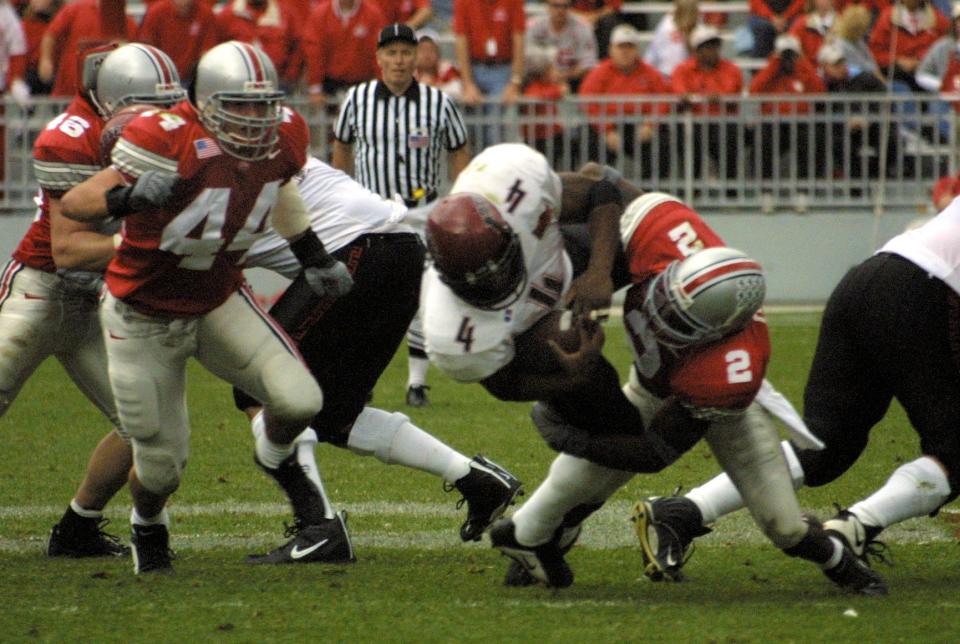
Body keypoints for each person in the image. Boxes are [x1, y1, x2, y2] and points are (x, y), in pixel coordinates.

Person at [479, 182, 885, 596]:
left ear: (719, 332)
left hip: (711, 403)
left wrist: (572, 435)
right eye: (664, 298)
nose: (658, 315)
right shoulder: (664, 232)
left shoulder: (726, 370)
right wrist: (595, 272)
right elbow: (604, 186)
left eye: (678, 321)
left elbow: (654, 452)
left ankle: (838, 560)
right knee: (586, 472)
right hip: (657, 378)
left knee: (783, 525)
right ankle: (528, 535)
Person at [59, 41, 351, 575]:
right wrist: (128, 198)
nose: (258, 118)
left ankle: (275, 457)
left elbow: (280, 188)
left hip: (218, 299)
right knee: (162, 469)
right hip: (141, 315)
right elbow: (76, 203)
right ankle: (148, 522)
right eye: (242, 104)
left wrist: (313, 255)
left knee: (300, 400)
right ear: (208, 100)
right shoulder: (163, 134)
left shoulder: (283, 133)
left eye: (265, 105)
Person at [634, 197, 960, 592]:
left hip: (868, 279)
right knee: (953, 451)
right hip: (921, 292)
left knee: (826, 441)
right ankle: (855, 527)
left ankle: (685, 511)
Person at [233, 155, 523, 562]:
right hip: (402, 249)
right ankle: (476, 481)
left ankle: (318, 526)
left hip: (355, 251)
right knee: (337, 414)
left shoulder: (213, 173)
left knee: (257, 387)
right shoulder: (267, 147)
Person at [0, 43, 187, 559]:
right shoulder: (70, 138)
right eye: (151, 105)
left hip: (99, 302)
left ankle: (78, 526)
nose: (164, 118)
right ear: (111, 100)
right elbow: (67, 250)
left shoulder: (160, 132)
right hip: (40, 291)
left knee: (146, 426)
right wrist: (148, 247)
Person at [333, 23, 471, 408]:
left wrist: (459, 197)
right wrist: (342, 195)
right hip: (371, 212)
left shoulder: (438, 102)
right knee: (362, 296)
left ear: (417, 58)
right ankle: (359, 379)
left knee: (419, 295)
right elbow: (341, 147)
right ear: (378, 58)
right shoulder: (356, 99)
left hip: (421, 211)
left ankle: (416, 383)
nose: (398, 60)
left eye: (406, 53)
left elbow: (459, 149)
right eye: (391, 53)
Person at [578, 23, 671, 178]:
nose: (625, 52)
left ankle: (651, 195)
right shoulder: (599, 72)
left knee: (661, 145)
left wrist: (650, 124)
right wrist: (606, 129)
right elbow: (588, 101)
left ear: (637, 50)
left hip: (641, 126)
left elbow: (664, 99)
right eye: (621, 47)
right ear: (611, 50)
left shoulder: (650, 73)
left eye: (630, 47)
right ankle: (598, 193)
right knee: (591, 143)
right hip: (609, 125)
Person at [670, 24, 744, 184]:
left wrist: (719, 98)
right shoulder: (682, 70)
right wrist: (688, 97)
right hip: (693, 123)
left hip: (723, 123)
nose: (713, 50)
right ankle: (692, 192)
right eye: (707, 46)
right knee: (687, 141)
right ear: (697, 50)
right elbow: (680, 92)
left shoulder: (731, 69)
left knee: (730, 140)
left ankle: (730, 193)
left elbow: (733, 92)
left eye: (715, 45)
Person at [748, 34, 826, 179]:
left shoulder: (803, 72)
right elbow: (754, 90)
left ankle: (806, 188)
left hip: (801, 123)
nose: (787, 59)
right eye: (784, 54)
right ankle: (765, 190)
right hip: (772, 123)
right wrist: (774, 64)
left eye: (792, 54)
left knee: (814, 138)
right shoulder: (770, 73)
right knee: (762, 139)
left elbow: (820, 92)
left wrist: (802, 62)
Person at [818, 42, 898, 181]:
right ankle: (855, 184)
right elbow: (822, 110)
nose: (841, 68)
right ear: (824, 67)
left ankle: (880, 175)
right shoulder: (822, 85)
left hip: (871, 125)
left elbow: (885, 101)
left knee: (889, 137)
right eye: (835, 65)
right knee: (837, 142)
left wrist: (868, 118)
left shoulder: (865, 78)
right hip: (842, 128)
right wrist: (844, 121)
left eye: (842, 63)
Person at [453, 0, 526, 148]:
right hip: (473, 67)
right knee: (468, 131)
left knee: (494, 131)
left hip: (502, 68)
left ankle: (494, 169)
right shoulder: (463, 2)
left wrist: (514, 82)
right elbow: (461, 40)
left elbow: (519, 39)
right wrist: (468, 83)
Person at [37, 0, 137, 97]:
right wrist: (45, 60)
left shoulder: (129, 24)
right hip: (66, 91)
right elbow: (51, 35)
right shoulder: (76, 9)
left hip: (102, 96)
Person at [303, 0, 387, 108]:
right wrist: (315, 88)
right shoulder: (320, 14)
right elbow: (314, 53)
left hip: (362, 83)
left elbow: (379, 52)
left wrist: (381, 85)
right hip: (329, 85)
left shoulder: (373, 14)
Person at [215, 0, 303, 93]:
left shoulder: (285, 14)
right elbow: (217, 51)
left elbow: (297, 47)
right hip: (235, 86)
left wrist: (289, 77)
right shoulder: (227, 15)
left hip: (277, 85)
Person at [869, 0, 949, 91]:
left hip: (927, 72)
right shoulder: (888, 18)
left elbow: (946, 49)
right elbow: (875, 52)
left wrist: (920, 61)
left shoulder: (937, 20)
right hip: (897, 73)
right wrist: (898, 60)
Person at [138, 0, 219, 90]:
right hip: (162, 78)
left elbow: (207, 54)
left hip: (192, 79)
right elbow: (147, 51)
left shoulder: (206, 14)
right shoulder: (156, 12)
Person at [525, 0, 598, 93]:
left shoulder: (582, 28)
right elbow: (524, 57)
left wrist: (564, 76)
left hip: (573, 80)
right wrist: (547, 74)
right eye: (556, 6)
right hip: (538, 77)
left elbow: (588, 63)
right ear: (548, 7)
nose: (560, 10)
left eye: (565, 6)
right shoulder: (534, 26)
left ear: (570, 8)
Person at [644, 0, 701, 80]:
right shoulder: (667, 24)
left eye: (692, 8)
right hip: (666, 75)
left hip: (690, 77)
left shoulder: (698, 25)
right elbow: (653, 51)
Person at [414, 28, 463, 100]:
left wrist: (434, 87)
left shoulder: (448, 69)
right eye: (422, 50)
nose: (426, 55)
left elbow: (458, 90)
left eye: (431, 50)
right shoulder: (407, 71)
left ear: (438, 53)